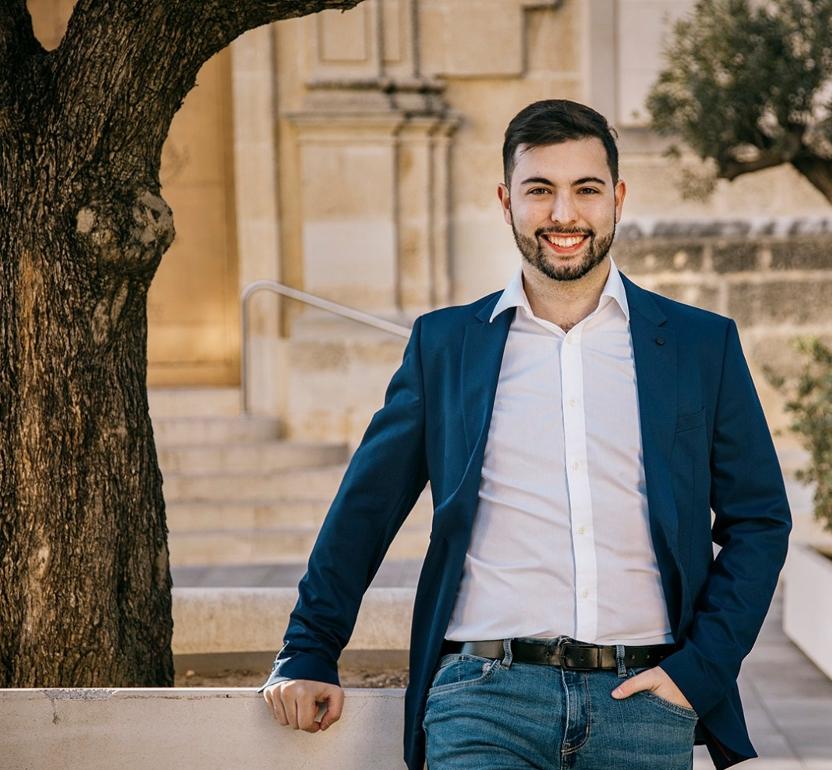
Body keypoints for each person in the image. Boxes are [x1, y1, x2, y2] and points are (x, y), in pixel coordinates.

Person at [258, 98, 791, 770]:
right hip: (484, 699)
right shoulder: (446, 346)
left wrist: (700, 671)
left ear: (618, 198)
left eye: (586, 190)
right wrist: (309, 648)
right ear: (506, 200)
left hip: (643, 703)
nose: (563, 214)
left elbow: (760, 520)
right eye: (540, 190)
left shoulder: (698, 346)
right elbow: (364, 510)